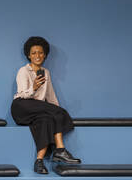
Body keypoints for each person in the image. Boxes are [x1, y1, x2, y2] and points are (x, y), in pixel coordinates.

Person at [11, 36, 81, 174]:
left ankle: (39, 161)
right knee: (57, 112)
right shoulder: (23, 71)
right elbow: (23, 94)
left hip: (38, 109)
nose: (37, 55)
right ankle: (60, 150)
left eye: (40, 52)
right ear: (28, 55)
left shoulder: (46, 73)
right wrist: (34, 88)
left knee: (47, 119)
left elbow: (51, 97)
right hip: (21, 106)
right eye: (34, 53)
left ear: (45, 55)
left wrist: (57, 113)